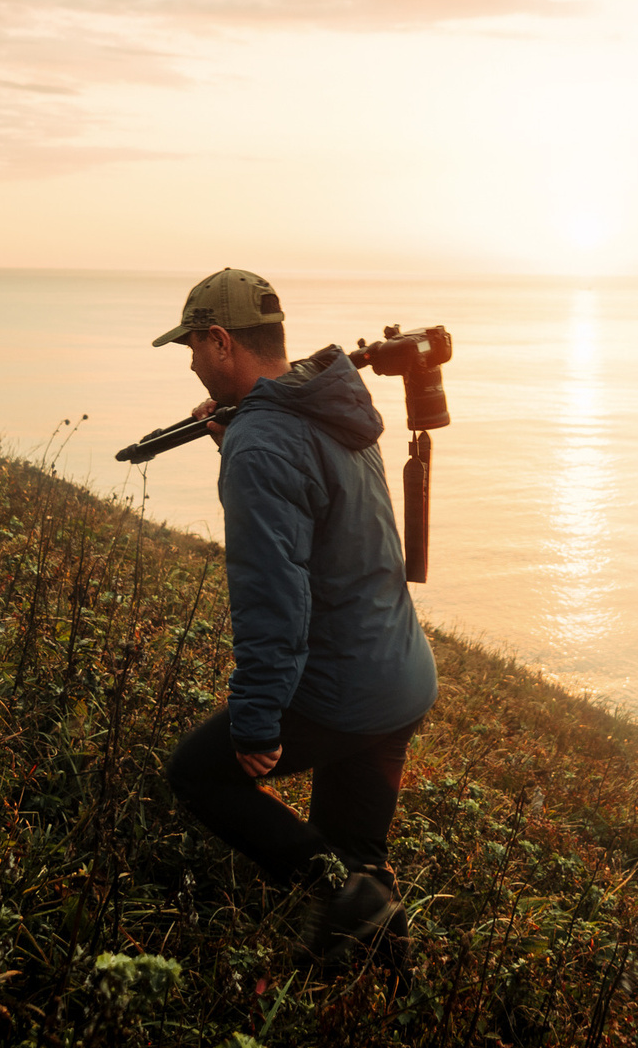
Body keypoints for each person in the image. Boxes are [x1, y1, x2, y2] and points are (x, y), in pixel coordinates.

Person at [153, 268, 438, 963]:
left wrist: (257, 717)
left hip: (341, 690)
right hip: (400, 677)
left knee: (196, 772)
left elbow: (271, 593)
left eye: (193, 346)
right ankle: (385, 973)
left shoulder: (263, 441)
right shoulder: (329, 403)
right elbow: (316, 502)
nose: (190, 364)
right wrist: (240, 437)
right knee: (355, 858)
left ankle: (348, 901)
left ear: (222, 341)